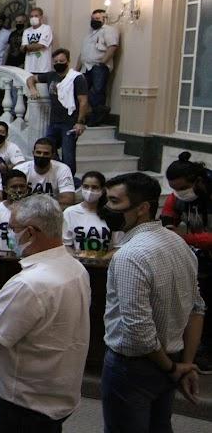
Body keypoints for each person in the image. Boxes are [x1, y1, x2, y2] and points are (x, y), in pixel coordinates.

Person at [0, 194, 91, 433]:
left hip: (25, 398)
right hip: (57, 387)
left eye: (13, 228)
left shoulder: (28, 283)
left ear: (31, 232)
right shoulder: (76, 268)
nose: (11, 234)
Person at [100, 172, 206, 432]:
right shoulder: (179, 244)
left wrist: (173, 369)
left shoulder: (130, 256)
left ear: (142, 208)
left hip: (134, 366)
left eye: (114, 202)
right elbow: (198, 309)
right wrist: (184, 364)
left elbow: (138, 331)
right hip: (171, 358)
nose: (107, 208)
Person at [162, 152, 212, 371]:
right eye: (175, 188)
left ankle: (207, 350)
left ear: (197, 181)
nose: (179, 193)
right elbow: (169, 209)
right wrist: (167, 226)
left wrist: (184, 237)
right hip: (199, 254)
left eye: (182, 188)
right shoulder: (180, 195)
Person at [26, 48, 89, 176]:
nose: (58, 63)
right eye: (56, 61)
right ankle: (57, 174)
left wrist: (80, 122)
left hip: (70, 122)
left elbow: (83, 101)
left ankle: (69, 179)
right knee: (47, 148)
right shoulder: (51, 75)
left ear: (68, 61)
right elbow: (31, 78)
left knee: (68, 155)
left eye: (62, 60)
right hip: (53, 122)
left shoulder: (77, 78)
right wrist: (33, 89)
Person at [77, 9, 119, 126]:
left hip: (98, 66)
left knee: (97, 91)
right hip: (86, 67)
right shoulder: (89, 34)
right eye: (93, 19)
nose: (94, 21)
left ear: (104, 19)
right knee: (83, 91)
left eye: (97, 19)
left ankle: (97, 118)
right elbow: (82, 53)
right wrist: (76, 68)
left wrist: (102, 62)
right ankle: (96, 112)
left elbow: (112, 47)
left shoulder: (109, 30)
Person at [63, 171, 121, 254]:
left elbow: (118, 246)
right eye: (86, 186)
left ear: (102, 190)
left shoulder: (113, 213)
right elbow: (65, 244)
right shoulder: (70, 212)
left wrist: (102, 260)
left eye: (94, 187)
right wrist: (76, 259)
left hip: (105, 264)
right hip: (79, 264)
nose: (89, 191)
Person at [13, 138, 75, 207]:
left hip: (51, 212)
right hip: (24, 210)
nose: (41, 156)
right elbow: (12, 197)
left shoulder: (63, 169)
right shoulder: (20, 169)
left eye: (46, 153)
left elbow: (68, 200)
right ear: (33, 153)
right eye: (38, 152)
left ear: (52, 155)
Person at [0, 169, 29, 251]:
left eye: (22, 186)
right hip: (2, 260)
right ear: (5, 189)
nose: (19, 190)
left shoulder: (35, 211)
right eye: (14, 187)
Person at [21, 7, 53, 74]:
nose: (33, 18)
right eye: (31, 16)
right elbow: (22, 48)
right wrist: (33, 46)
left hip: (43, 68)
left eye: (36, 16)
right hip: (29, 68)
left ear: (41, 17)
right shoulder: (26, 31)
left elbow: (41, 45)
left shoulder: (46, 28)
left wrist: (27, 47)